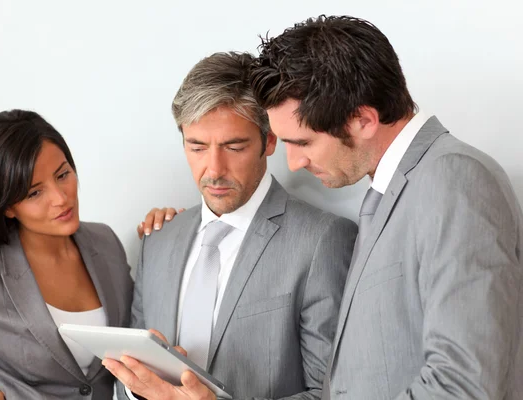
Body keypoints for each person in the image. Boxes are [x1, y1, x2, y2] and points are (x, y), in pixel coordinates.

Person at [248, 15, 523, 399]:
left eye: (303, 143)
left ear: (364, 120)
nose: (293, 162)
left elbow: (463, 386)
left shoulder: (455, 179)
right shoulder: (392, 192)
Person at [105, 51, 357, 400]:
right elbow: (128, 373)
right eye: (196, 147)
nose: (214, 169)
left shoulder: (323, 240)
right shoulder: (158, 240)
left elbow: (334, 392)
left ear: (268, 141)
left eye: (234, 146)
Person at [0, 110, 133, 399]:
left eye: (63, 175)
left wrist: (169, 234)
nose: (61, 198)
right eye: (34, 193)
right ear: (7, 206)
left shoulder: (105, 242)